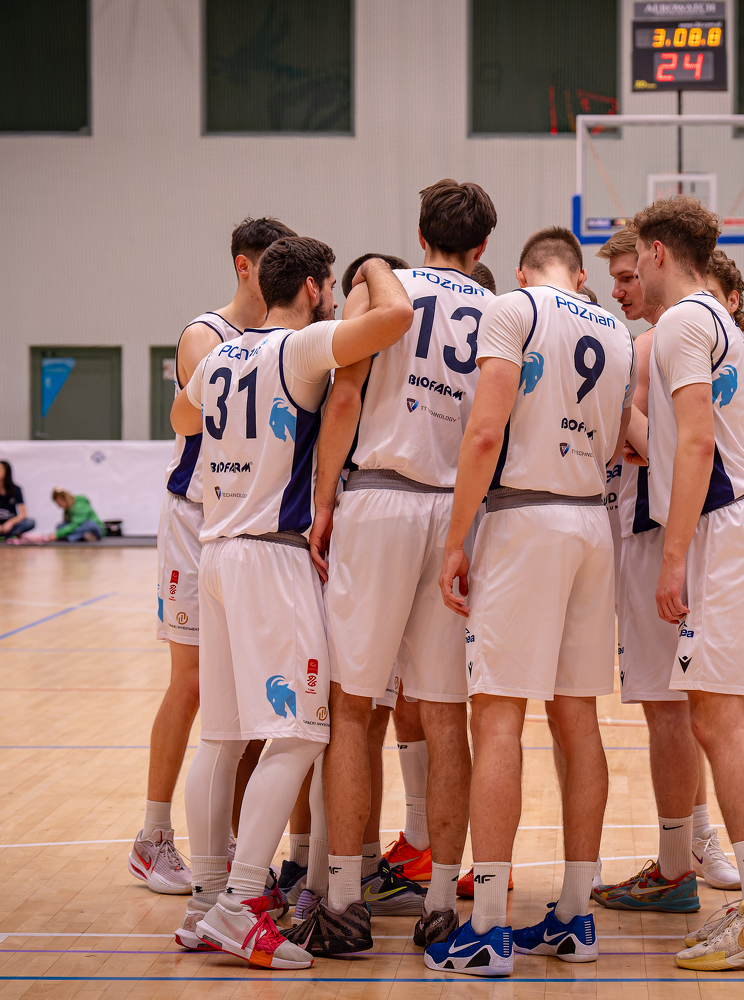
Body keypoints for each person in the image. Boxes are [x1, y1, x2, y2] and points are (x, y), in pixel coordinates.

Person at [171, 237, 413, 970]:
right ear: (312, 287)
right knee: (304, 733)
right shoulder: (301, 347)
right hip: (270, 556)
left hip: (216, 550)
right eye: (331, 285)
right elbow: (395, 317)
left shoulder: (221, 356)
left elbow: (182, 419)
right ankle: (243, 902)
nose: (335, 296)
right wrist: (376, 269)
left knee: (222, 738)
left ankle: (206, 900)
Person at [430, 226, 633, 976]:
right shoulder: (618, 332)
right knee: (578, 719)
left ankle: (487, 926)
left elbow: (485, 433)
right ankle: (577, 915)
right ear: (580, 275)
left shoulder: (513, 308)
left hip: (525, 520)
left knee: (498, 717)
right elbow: (623, 444)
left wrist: (456, 540)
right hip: (591, 525)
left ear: (521, 271)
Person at [310, 179, 497, 954]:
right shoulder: (502, 309)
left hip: (380, 501)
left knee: (353, 707)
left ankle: (343, 903)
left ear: (419, 235)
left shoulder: (383, 289)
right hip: (458, 515)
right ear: (482, 248)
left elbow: (344, 397)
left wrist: (323, 500)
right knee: (447, 715)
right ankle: (442, 902)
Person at [631, 195, 744, 971]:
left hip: (727, 528)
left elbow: (698, 441)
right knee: (743, 715)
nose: (634, 274)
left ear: (658, 252)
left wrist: (672, 558)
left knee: (717, 718)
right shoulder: (720, 321)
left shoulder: (679, 323)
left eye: (636, 259)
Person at [134, 217, 295, 906]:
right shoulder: (206, 335)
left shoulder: (285, 340)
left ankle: (224, 842)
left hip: (248, 528)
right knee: (193, 682)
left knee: (248, 695)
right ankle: (152, 835)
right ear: (243, 266)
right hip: (197, 517)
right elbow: (198, 417)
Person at [590, 230, 739, 921]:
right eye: (613, 279)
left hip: (660, 533)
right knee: (689, 705)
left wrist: (619, 418)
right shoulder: (677, 335)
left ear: (654, 261)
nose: (619, 289)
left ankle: (684, 857)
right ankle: (699, 845)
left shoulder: (655, 342)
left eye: (627, 275)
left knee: (673, 707)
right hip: (676, 529)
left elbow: (667, 448)